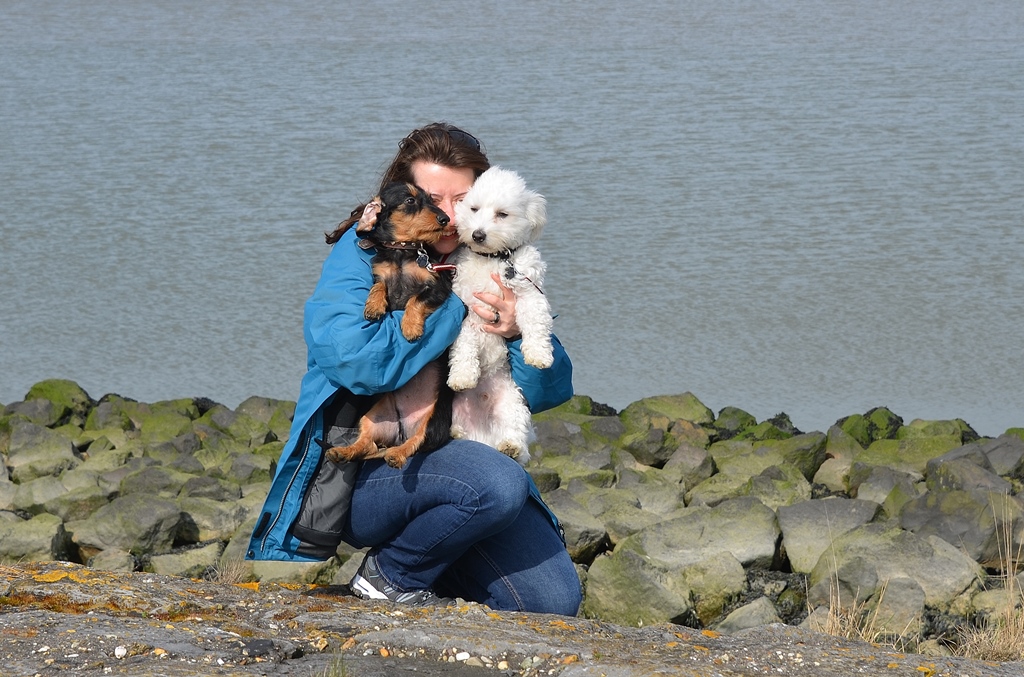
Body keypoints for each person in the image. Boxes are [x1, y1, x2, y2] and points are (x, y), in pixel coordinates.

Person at [246, 123, 581, 616]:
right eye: (431, 198)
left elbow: (552, 389)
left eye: (463, 199)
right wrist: (452, 307)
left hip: (457, 454)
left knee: (550, 602)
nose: (448, 215)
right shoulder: (360, 259)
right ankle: (390, 575)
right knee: (498, 483)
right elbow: (363, 367)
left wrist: (514, 331)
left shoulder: (493, 262)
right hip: (367, 470)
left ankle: (437, 567)